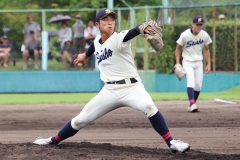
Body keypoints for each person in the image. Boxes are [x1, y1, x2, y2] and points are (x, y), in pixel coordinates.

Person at [33, 8, 190, 154]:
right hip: (109, 91)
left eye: (112, 20)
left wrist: (142, 28)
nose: (110, 22)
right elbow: (94, 47)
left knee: (149, 106)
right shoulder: (96, 41)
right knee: (80, 120)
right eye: (105, 20)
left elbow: (133, 31)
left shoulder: (119, 38)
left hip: (132, 88)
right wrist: (85, 56)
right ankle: (52, 140)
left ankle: (172, 143)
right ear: (97, 24)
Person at [175, 15, 212, 112]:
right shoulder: (185, 35)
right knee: (190, 82)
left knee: (198, 85)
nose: (199, 26)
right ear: (193, 25)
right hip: (187, 62)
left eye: (201, 24)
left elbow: (207, 49)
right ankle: (192, 104)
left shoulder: (204, 35)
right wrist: (178, 63)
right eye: (197, 24)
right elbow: (178, 48)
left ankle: (192, 103)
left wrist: (208, 64)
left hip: (199, 62)